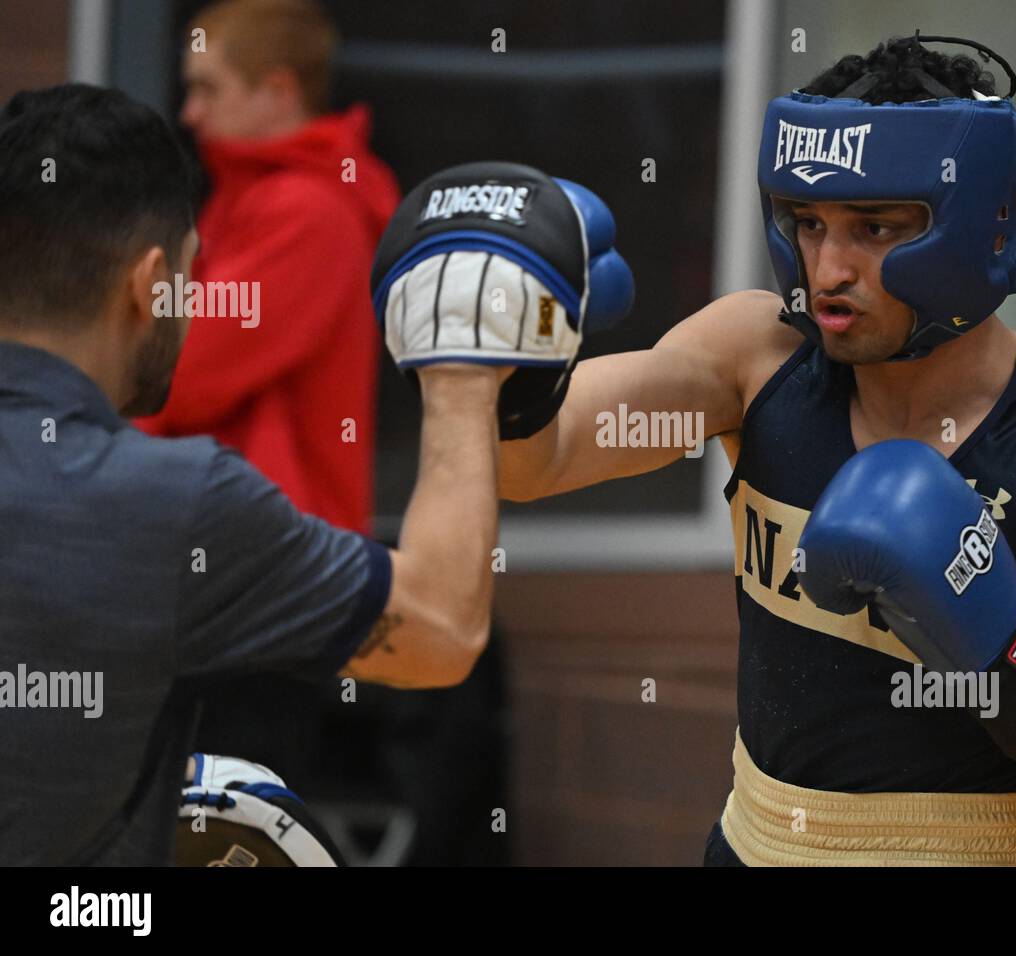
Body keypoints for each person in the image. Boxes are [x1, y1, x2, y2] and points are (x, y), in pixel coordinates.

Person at [498, 35, 1016, 865]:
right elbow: (531, 462)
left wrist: (1007, 653)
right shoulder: (754, 356)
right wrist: (503, 359)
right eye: (809, 222)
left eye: (875, 227)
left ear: (981, 225)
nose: (829, 268)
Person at [0, 87, 609, 864]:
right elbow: (441, 626)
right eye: (192, 278)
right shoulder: (168, 502)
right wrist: (462, 366)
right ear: (147, 283)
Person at [137, 0, 399, 534]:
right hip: (250, 552)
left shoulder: (307, 213)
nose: (189, 113)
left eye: (209, 89)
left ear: (279, 93)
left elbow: (174, 370)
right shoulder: (252, 200)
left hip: (279, 568)